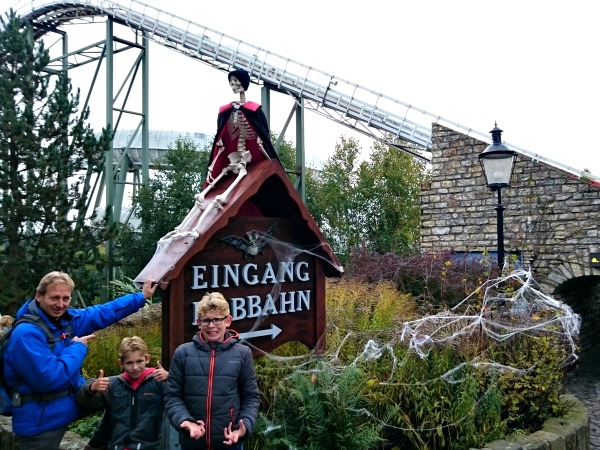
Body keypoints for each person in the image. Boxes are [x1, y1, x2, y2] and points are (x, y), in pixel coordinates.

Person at [2, 271, 158, 450]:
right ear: (39, 296)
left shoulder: (64, 320)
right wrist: (78, 347)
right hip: (41, 418)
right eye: (54, 298)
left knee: (118, 390)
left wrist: (141, 297)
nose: (60, 305)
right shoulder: (26, 334)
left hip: (65, 403)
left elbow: (102, 312)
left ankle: (112, 443)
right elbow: (50, 378)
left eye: (65, 298)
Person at [164, 292, 260, 450]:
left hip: (229, 442)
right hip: (192, 443)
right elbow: (172, 396)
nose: (211, 325)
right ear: (198, 322)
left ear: (228, 321)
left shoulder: (242, 354)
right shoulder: (183, 353)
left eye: (217, 319)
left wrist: (245, 426)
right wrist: (185, 421)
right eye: (206, 320)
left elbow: (251, 397)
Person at [77, 336, 168, 450]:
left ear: (147, 358)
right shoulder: (113, 384)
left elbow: (184, 396)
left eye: (139, 361)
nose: (135, 367)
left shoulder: (159, 382)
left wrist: (171, 378)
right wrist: (91, 388)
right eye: (129, 363)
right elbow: (84, 402)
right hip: (117, 446)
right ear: (121, 363)